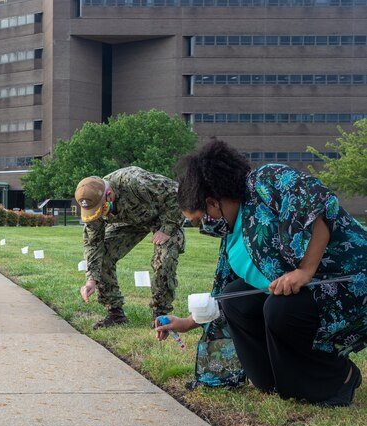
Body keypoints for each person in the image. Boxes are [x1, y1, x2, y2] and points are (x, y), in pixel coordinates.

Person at [157, 139, 367, 406]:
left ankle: (340, 377)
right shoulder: (232, 233)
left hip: (348, 280)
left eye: (199, 219)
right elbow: (224, 294)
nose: (202, 226)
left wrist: (304, 270)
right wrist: (187, 322)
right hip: (306, 293)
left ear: (213, 202)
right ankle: (281, 380)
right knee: (235, 298)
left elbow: (319, 202)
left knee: (280, 310)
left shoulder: (264, 181)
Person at [75, 166, 186, 329]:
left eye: (101, 209)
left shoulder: (134, 181)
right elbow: (93, 244)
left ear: (109, 195)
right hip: (129, 222)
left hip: (162, 217)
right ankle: (115, 314)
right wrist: (91, 280)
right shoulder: (92, 209)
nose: (99, 214)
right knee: (104, 256)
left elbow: (177, 193)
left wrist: (168, 228)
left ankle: (161, 316)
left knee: (165, 259)